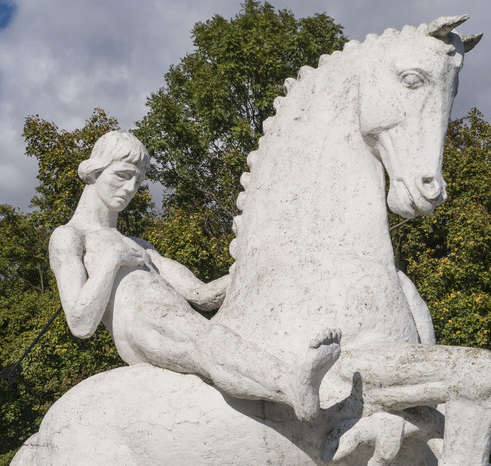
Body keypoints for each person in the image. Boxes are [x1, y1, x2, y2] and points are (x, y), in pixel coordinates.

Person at [49, 131, 341, 421]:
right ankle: (290, 386)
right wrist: (112, 260)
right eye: (122, 175)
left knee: (222, 331)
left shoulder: (140, 246)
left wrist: (266, 265)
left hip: (180, 319)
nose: (129, 189)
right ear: (95, 171)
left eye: (137, 182)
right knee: (207, 340)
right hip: (142, 328)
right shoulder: (70, 237)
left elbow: (203, 295)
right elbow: (80, 322)